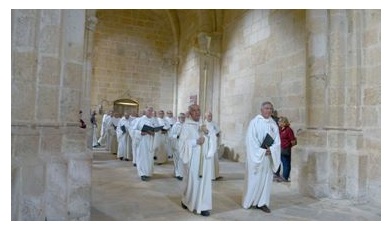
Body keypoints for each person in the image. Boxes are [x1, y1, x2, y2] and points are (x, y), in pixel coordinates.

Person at [242, 101, 281, 213]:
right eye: (266, 108)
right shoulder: (254, 122)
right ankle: (249, 201)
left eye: (270, 109)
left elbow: (277, 142)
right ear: (261, 110)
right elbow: (250, 141)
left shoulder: (273, 124)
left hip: (268, 158)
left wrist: (272, 150)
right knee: (254, 179)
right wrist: (261, 151)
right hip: (257, 157)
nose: (268, 110)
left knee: (266, 180)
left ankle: (262, 203)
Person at [179, 104, 217, 217]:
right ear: (190, 113)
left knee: (204, 182)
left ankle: (204, 206)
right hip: (192, 159)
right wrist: (195, 142)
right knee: (193, 181)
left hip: (205, 159)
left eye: (198, 110)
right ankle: (187, 201)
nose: (197, 112)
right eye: (194, 111)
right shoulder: (186, 126)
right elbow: (182, 144)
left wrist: (207, 133)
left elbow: (213, 138)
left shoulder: (205, 125)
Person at [132, 106, 156, 181]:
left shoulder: (154, 120)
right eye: (148, 110)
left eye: (151, 111)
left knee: (149, 158)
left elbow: (157, 130)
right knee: (142, 157)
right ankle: (142, 174)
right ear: (145, 111)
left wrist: (154, 132)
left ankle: (148, 172)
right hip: (142, 141)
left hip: (151, 141)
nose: (150, 112)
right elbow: (133, 130)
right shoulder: (140, 120)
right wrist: (140, 133)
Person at [275, 116, 296, 182]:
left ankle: (285, 177)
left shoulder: (288, 130)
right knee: (281, 162)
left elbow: (292, 140)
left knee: (286, 163)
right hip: (280, 148)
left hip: (286, 149)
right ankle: (279, 175)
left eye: (280, 121)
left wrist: (289, 146)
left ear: (284, 122)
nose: (279, 123)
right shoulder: (281, 129)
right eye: (278, 122)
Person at [204, 111, 222, 181]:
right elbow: (204, 133)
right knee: (210, 160)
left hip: (214, 143)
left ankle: (216, 175)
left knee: (215, 159)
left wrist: (216, 134)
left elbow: (218, 131)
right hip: (208, 144)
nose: (210, 117)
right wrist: (212, 134)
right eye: (208, 116)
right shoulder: (204, 124)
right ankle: (210, 176)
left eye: (211, 116)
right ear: (205, 116)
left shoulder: (214, 123)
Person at [170, 112, 186, 180]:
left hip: (184, 145)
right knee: (177, 160)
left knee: (182, 160)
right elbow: (171, 135)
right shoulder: (175, 125)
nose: (182, 119)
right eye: (181, 117)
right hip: (176, 145)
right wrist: (177, 136)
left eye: (183, 117)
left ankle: (182, 173)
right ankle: (178, 174)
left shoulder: (186, 125)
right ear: (178, 118)